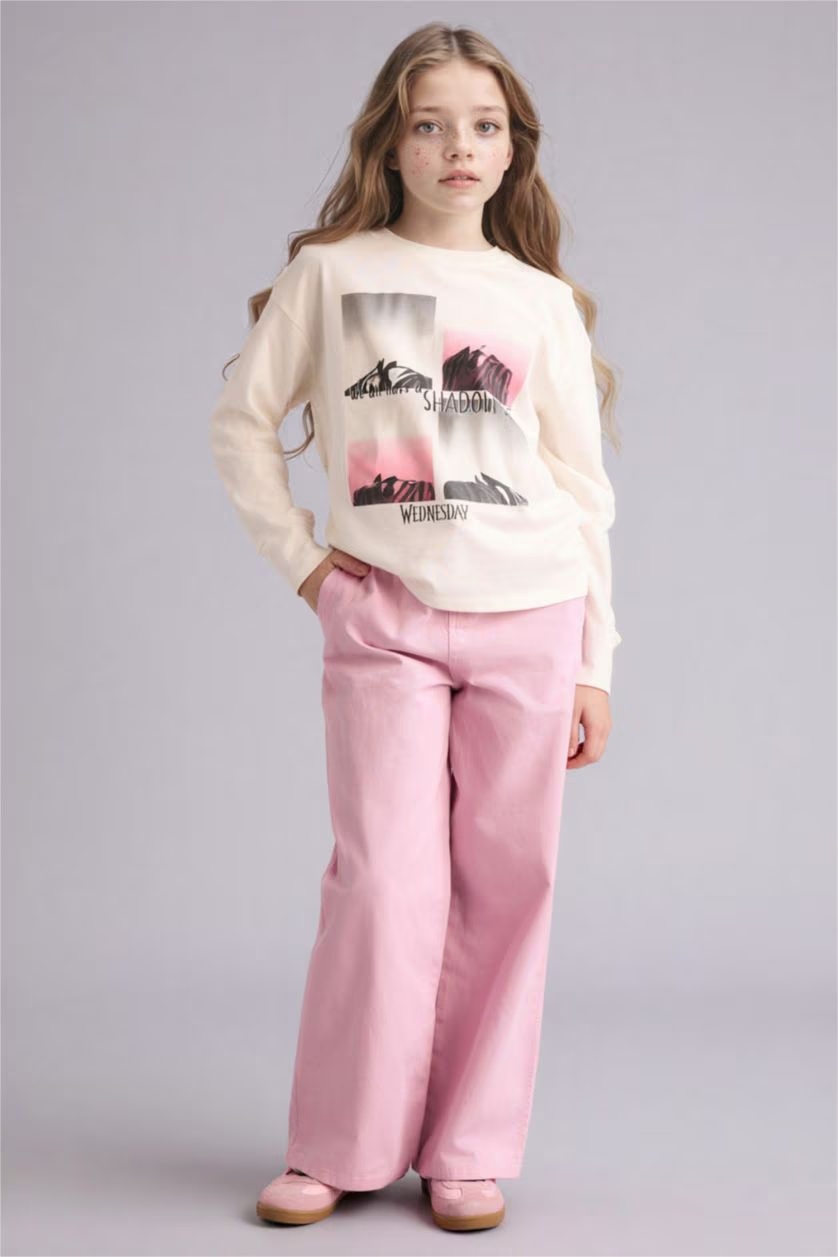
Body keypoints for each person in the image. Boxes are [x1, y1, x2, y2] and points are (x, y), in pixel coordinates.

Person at [208, 20, 622, 1234]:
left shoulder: (538, 300)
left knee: (508, 884)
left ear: (513, 147)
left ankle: (467, 1149)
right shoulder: (333, 275)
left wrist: (595, 659)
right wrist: (305, 567)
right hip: (384, 618)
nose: (458, 148)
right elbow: (240, 424)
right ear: (390, 143)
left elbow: (583, 490)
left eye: (483, 126)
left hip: (532, 616)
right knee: (383, 883)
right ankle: (337, 1144)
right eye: (430, 125)